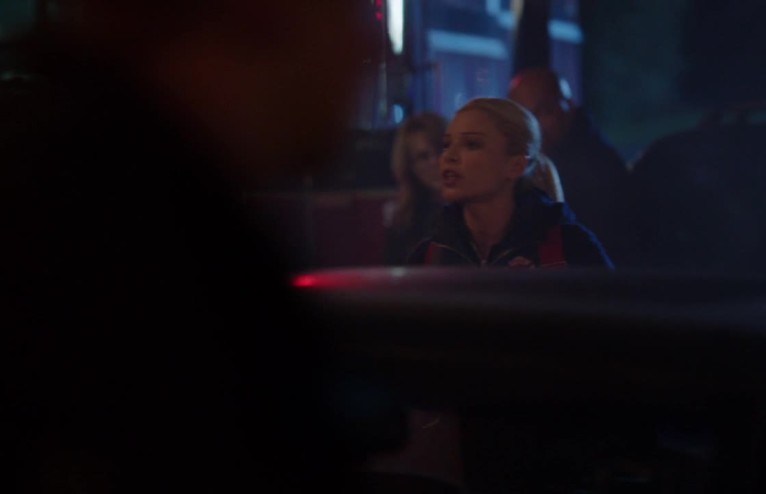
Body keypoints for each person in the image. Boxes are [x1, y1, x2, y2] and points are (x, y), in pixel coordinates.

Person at [0, 1, 401, 493]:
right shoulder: (131, 252)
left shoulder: (112, 200)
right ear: (262, 15)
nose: (376, 48)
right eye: (350, 14)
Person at [406, 97, 612, 268]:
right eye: (446, 144)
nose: (448, 156)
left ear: (515, 166)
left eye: (472, 144)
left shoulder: (571, 248)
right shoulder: (430, 255)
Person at [507, 66, 641, 267]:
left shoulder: (593, 171)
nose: (534, 126)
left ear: (568, 105)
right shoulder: (541, 161)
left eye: (544, 111)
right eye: (524, 117)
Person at [383, 111, 448, 265]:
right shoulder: (404, 221)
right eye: (423, 157)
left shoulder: (475, 210)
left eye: (440, 150)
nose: (435, 162)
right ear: (410, 168)